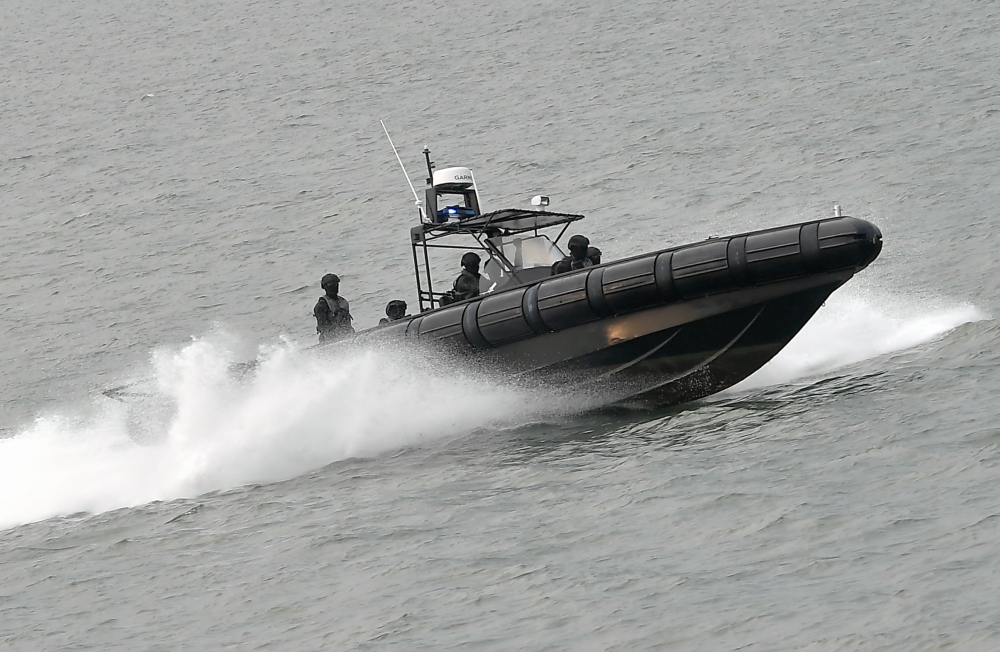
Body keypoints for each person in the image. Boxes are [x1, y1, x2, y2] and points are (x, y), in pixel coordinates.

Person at [313, 273, 354, 343]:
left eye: (336, 284)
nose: (334, 287)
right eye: (330, 285)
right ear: (324, 287)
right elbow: (323, 328)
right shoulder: (321, 305)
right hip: (330, 339)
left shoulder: (343, 302)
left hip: (347, 335)